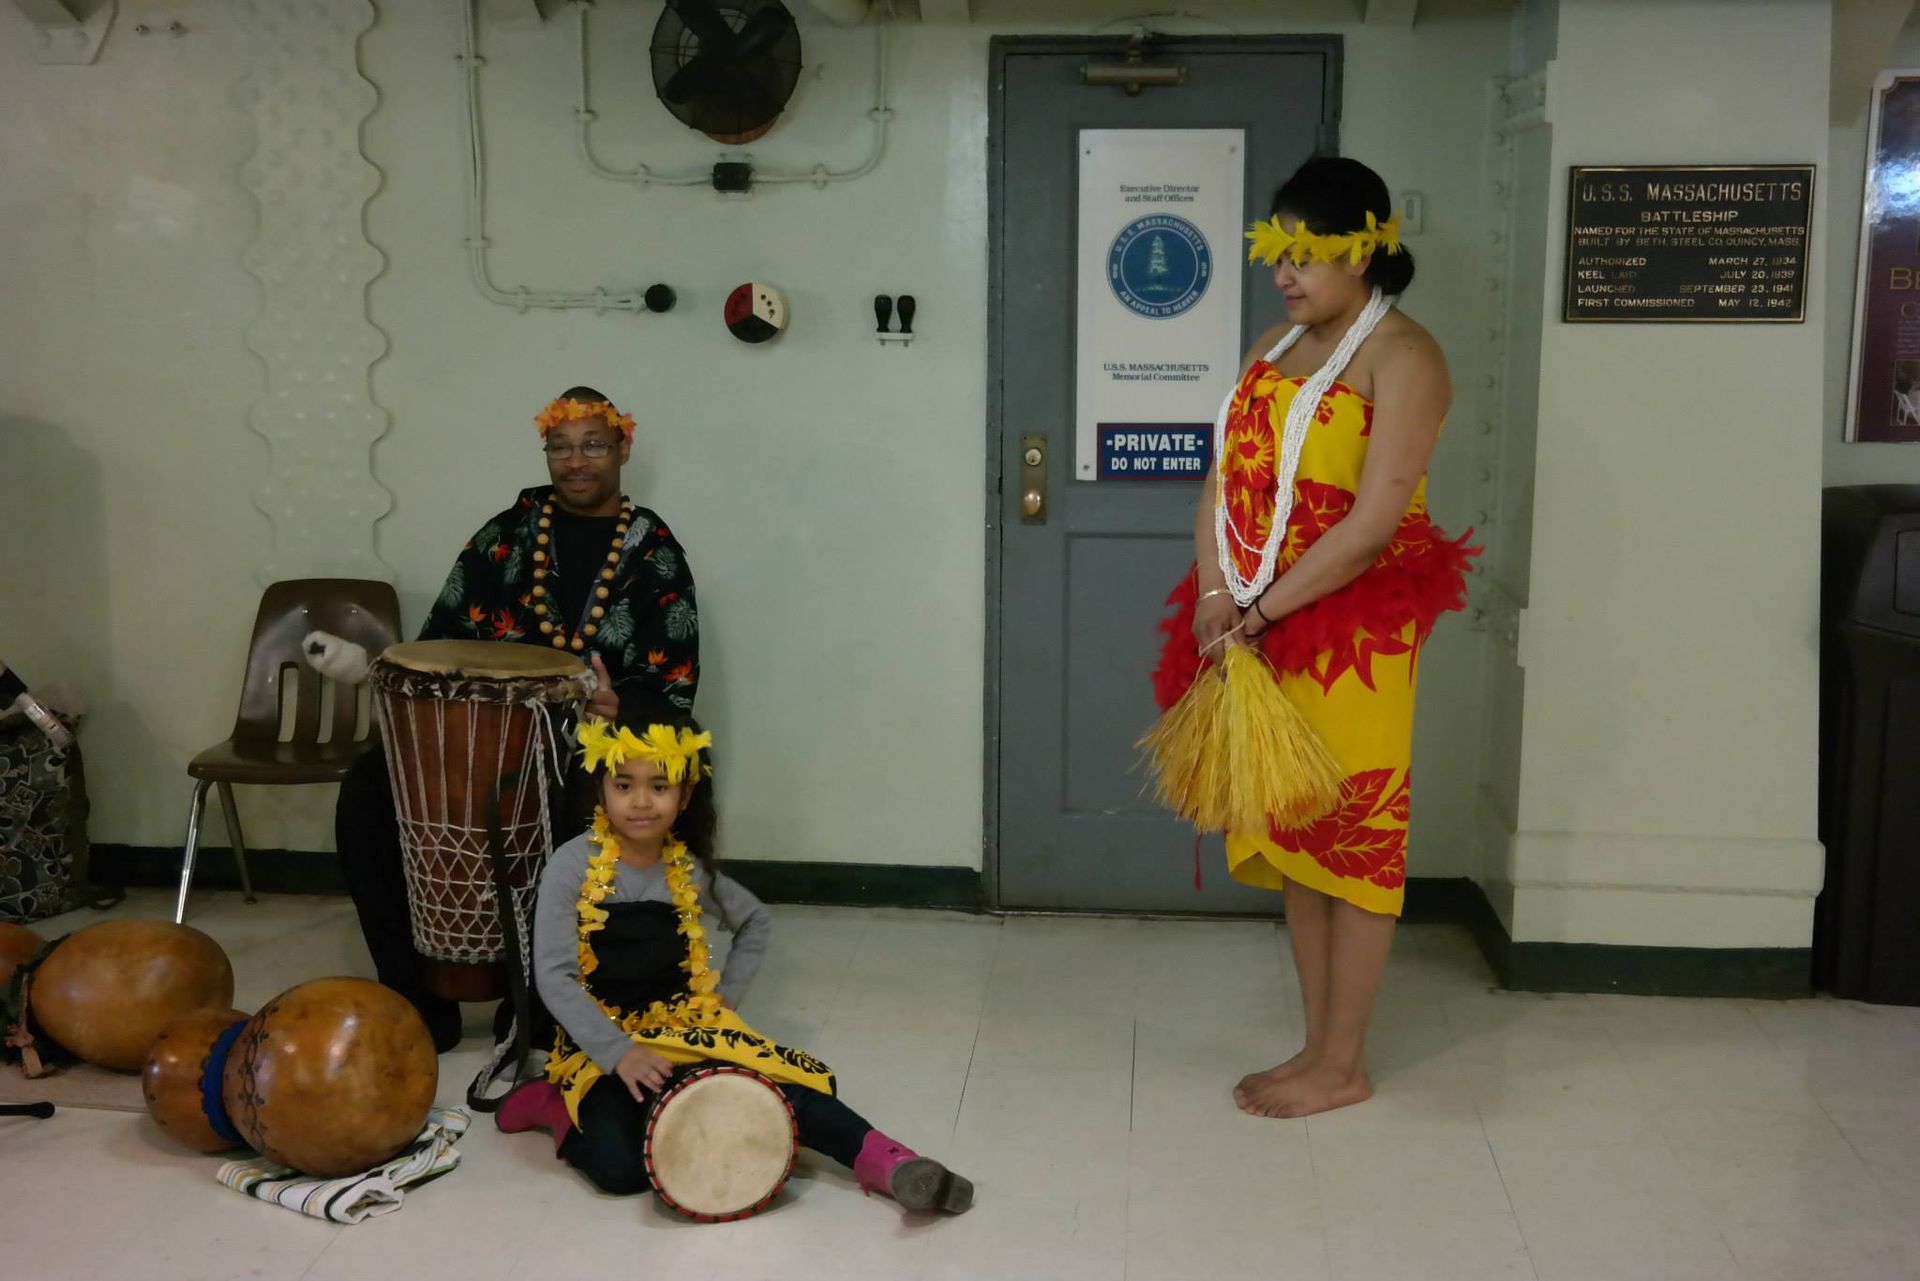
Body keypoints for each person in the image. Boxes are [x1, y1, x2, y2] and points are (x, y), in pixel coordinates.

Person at [1151, 157, 1476, 1119]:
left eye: (1306, 254)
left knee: (1355, 837)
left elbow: (1372, 524)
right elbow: (1224, 481)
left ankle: (1344, 1064)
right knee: (1295, 832)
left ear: (1363, 250)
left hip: (1351, 636)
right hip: (1255, 615)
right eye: (1277, 252)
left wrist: (1258, 614)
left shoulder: (1407, 357)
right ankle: (1316, 1046)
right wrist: (1215, 591)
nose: (1285, 273)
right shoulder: (1275, 343)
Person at [494, 698, 973, 1216]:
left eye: (660, 787)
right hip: (600, 1042)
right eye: (624, 785)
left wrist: (723, 999)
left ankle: (893, 1164)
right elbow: (554, 975)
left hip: (684, 1028)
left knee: (782, 1089)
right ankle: (553, 1102)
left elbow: (754, 922)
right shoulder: (570, 866)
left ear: (685, 794)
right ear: (601, 788)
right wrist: (618, 1053)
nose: (641, 802)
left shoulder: (687, 869)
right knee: (622, 1171)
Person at [333, 386, 700, 1052]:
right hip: (477, 739)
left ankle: (538, 995)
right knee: (365, 793)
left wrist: (623, 706)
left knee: (587, 806)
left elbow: (674, 685)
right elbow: (439, 643)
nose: (575, 461)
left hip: (589, 744)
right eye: (560, 447)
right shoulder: (505, 535)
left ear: (623, 449)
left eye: (592, 445)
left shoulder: (655, 552)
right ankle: (414, 994)